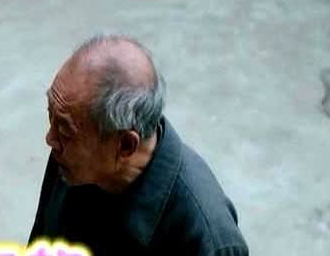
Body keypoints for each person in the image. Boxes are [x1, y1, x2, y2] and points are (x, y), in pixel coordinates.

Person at [28, 35, 248, 255]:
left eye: (65, 131)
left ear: (125, 145)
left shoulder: (206, 238)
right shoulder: (69, 160)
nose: (50, 139)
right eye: (51, 116)